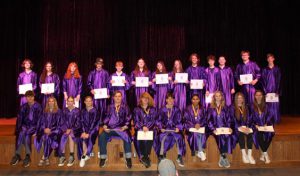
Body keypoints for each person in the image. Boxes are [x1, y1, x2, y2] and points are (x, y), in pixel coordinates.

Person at [98, 91, 132, 168]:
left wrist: (125, 126)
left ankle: (128, 158)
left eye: (119, 96)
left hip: (121, 129)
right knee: (102, 136)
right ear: (113, 98)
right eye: (116, 96)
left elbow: (128, 118)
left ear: (121, 97)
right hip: (111, 129)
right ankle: (103, 158)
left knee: (127, 136)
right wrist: (105, 125)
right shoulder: (109, 107)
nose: (117, 98)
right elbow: (106, 117)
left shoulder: (125, 107)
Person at [10, 90, 42, 167]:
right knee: (21, 133)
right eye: (28, 97)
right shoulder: (24, 107)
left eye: (31, 96)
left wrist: (37, 131)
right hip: (25, 126)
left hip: (34, 126)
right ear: (26, 98)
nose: (29, 98)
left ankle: (28, 156)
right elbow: (20, 119)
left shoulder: (38, 106)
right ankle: (17, 155)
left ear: (33, 97)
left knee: (27, 134)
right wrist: (18, 129)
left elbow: (40, 120)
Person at [155, 93, 185, 167]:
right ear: (166, 100)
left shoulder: (177, 109)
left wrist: (178, 128)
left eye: (172, 98)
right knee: (161, 137)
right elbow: (158, 120)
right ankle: (161, 155)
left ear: (174, 100)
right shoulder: (162, 109)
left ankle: (179, 156)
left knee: (180, 137)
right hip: (164, 130)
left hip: (174, 130)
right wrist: (161, 127)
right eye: (168, 98)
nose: (170, 100)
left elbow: (180, 120)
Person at [207, 91, 236, 168]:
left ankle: (222, 157)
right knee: (219, 137)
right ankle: (224, 157)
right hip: (215, 128)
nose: (218, 97)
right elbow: (209, 120)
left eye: (219, 96)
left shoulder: (225, 107)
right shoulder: (210, 108)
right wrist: (213, 129)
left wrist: (229, 127)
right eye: (216, 96)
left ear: (222, 97)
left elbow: (229, 119)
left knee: (228, 135)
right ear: (214, 97)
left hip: (224, 128)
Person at [35, 97, 61, 166]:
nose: (51, 103)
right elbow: (41, 123)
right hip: (45, 131)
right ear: (48, 103)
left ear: (55, 102)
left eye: (52, 101)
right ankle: (46, 158)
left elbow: (59, 124)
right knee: (45, 137)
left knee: (48, 138)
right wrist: (44, 129)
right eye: (50, 101)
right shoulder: (44, 111)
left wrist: (51, 130)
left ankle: (44, 157)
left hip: (55, 132)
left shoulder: (58, 112)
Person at [133, 92, 157, 168]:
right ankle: (145, 157)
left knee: (151, 135)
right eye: (144, 98)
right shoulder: (137, 109)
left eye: (147, 98)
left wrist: (148, 127)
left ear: (149, 99)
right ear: (141, 99)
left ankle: (144, 157)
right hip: (140, 129)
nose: (145, 100)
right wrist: (142, 127)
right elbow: (136, 120)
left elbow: (154, 120)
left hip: (151, 129)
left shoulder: (153, 109)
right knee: (138, 137)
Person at [252, 90, 275, 164]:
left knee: (271, 133)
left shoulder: (266, 106)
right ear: (254, 96)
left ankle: (263, 154)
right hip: (256, 126)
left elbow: (270, 116)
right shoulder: (251, 107)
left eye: (260, 95)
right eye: (257, 95)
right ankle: (266, 154)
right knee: (259, 134)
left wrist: (266, 123)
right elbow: (250, 118)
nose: (258, 97)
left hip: (265, 125)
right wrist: (255, 124)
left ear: (262, 96)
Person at [232, 92, 256, 164]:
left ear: (243, 99)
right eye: (238, 98)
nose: (240, 99)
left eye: (241, 98)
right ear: (236, 99)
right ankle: (244, 154)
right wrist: (239, 127)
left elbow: (250, 119)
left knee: (251, 133)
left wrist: (248, 127)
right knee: (241, 134)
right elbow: (232, 120)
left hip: (246, 127)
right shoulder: (232, 108)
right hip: (237, 128)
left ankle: (249, 154)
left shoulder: (247, 108)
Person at [58, 96, 81, 167]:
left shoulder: (77, 111)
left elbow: (78, 122)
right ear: (66, 102)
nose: (70, 102)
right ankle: (62, 156)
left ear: (74, 102)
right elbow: (61, 121)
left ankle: (72, 156)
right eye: (69, 101)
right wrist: (65, 129)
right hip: (65, 129)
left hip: (75, 129)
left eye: (71, 101)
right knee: (62, 136)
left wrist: (71, 129)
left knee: (71, 135)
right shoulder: (64, 110)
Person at [183, 94, 207, 161]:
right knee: (195, 134)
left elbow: (205, 119)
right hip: (190, 128)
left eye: (197, 99)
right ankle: (200, 151)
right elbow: (186, 120)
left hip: (200, 127)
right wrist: (194, 125)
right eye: (194, 99)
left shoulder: (202, 109)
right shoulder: (187, 109)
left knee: (201, 133)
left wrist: (200, 124)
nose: (195, 100)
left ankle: (199, 151)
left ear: (199, 100)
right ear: (191, 100)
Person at [78, 96, 100, 167]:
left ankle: (84, 156)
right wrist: (84, 132)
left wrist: (88, 132)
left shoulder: (95, 111)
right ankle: (85, 155)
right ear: (84, 102)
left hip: (94, 129)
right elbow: (81, 122)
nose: (88, 102)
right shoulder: (82, 111)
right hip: (84, 129)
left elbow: (94, 122)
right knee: (82, 137)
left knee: (90, 137)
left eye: (90, 101)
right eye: (87, 101)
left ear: (92, 102)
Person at [261, 53, 281, 123]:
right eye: (268, 58)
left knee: (275, 104)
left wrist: (277, 90)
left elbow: (279, 79)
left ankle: (275, 119)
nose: (270, 59)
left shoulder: (277, 69)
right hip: (267, 90)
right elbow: (262, 80)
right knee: (268, 105)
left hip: (275, 89)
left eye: (271, 58)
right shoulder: (264, 70)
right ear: (267, 60)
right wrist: (265, 91)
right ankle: (268, 119)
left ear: (273, 59)